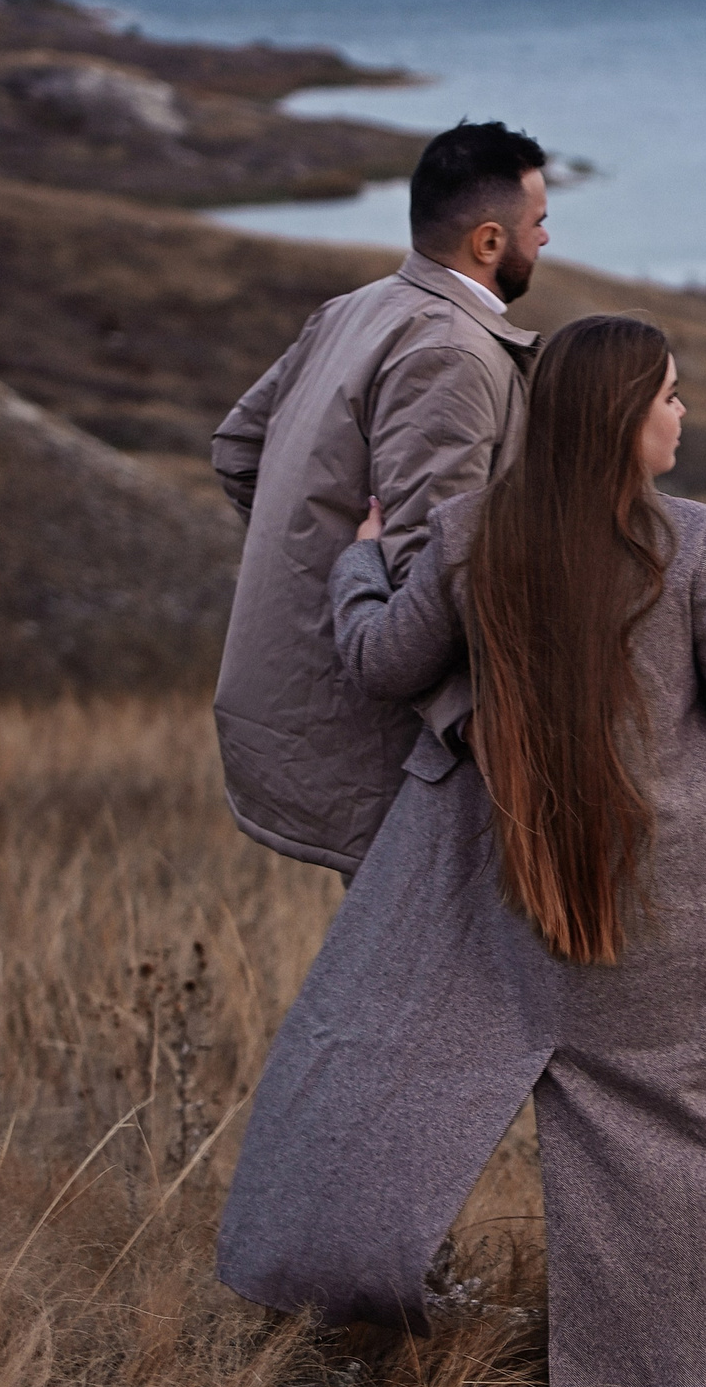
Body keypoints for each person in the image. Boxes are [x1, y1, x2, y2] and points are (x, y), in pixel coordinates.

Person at [216, 313, 706, 1387]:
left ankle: (347, 1289)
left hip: (518, 899)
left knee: (387, 1075)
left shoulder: (473, 533)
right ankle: (674, 1382)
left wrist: (362, 561)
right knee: (700, 1130)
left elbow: (378, 660)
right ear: (620, 417)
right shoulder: (698, 542)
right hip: (686, 913)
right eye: (666, 394)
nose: (680, 410)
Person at [210, 121, 551, 876]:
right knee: (430, 982)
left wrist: (315, 564)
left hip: (305, 714)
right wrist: (484, 741)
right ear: (489, 243)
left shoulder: (354, 308)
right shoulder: (453, 354)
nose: (547, 241)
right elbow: (431, 568)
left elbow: (240, 456)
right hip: (395, 748)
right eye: (539, 223)